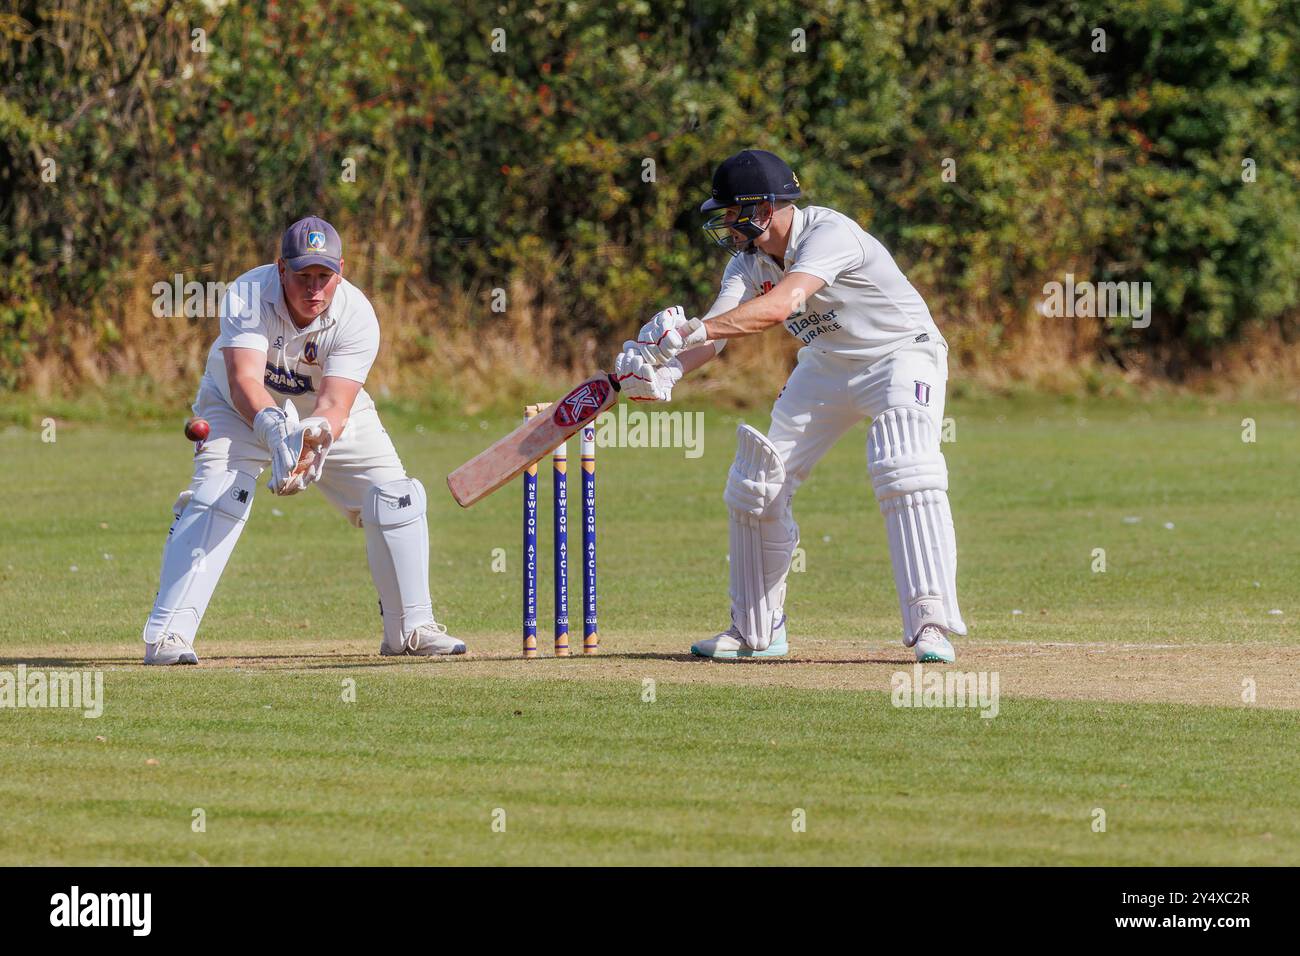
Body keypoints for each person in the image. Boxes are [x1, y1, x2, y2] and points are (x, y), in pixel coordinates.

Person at [613, 149, 965, 662]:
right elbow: (715, 335)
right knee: (757, 483)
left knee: (904, 465)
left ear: (765, 207)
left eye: (734, 212)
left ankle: (931, 622)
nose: (727, 224)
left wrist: (689, 330)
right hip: (826, 363)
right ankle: (758, 631)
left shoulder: (829, 233)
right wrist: (663, 367)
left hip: (901, 353)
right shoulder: (747, 262)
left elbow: (781, 305)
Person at [141, 216, 465, 664]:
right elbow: (244, 382)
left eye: (324, 277)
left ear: (341, 272)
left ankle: (409, 629)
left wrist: (316, 438)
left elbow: (336, 403)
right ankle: (167, 636)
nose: (314, 288)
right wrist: (274, 431)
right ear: (280, 268)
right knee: (218, 495)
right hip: (238, 411)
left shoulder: (356, 314)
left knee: (397, 496)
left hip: (319, 411)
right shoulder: (249, 294)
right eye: (303, 276)